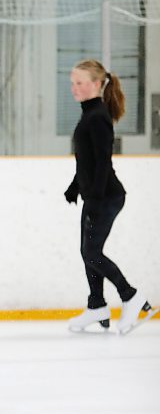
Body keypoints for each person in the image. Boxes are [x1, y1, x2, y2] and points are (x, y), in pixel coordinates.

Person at [64, 59, 152, 334]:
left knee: (92, 251)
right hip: (95, 195)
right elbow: (87, 161)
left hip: (106, 197)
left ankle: (131, 296)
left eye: (79, 83)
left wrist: (95, 198)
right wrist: (75, 186)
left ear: (94, 84)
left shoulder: (98, 116)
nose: (74, 88)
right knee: (87, 252)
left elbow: (103, 161)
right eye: (72, 83)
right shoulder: (90, 113)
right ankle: (97, 305)